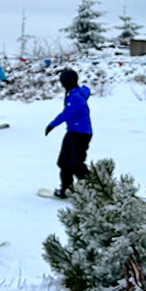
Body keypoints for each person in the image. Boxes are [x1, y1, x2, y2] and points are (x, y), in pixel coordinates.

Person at [44, 68, 92, 199]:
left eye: (62, 82)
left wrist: (51, 125)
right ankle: (70, 188)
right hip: (76, 131)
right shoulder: (76, 93)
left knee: (72, 163)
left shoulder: (75, 97)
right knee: (68, 162)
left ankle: (93, 187)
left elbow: (66, 113)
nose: (61, 84)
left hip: (79, 133)